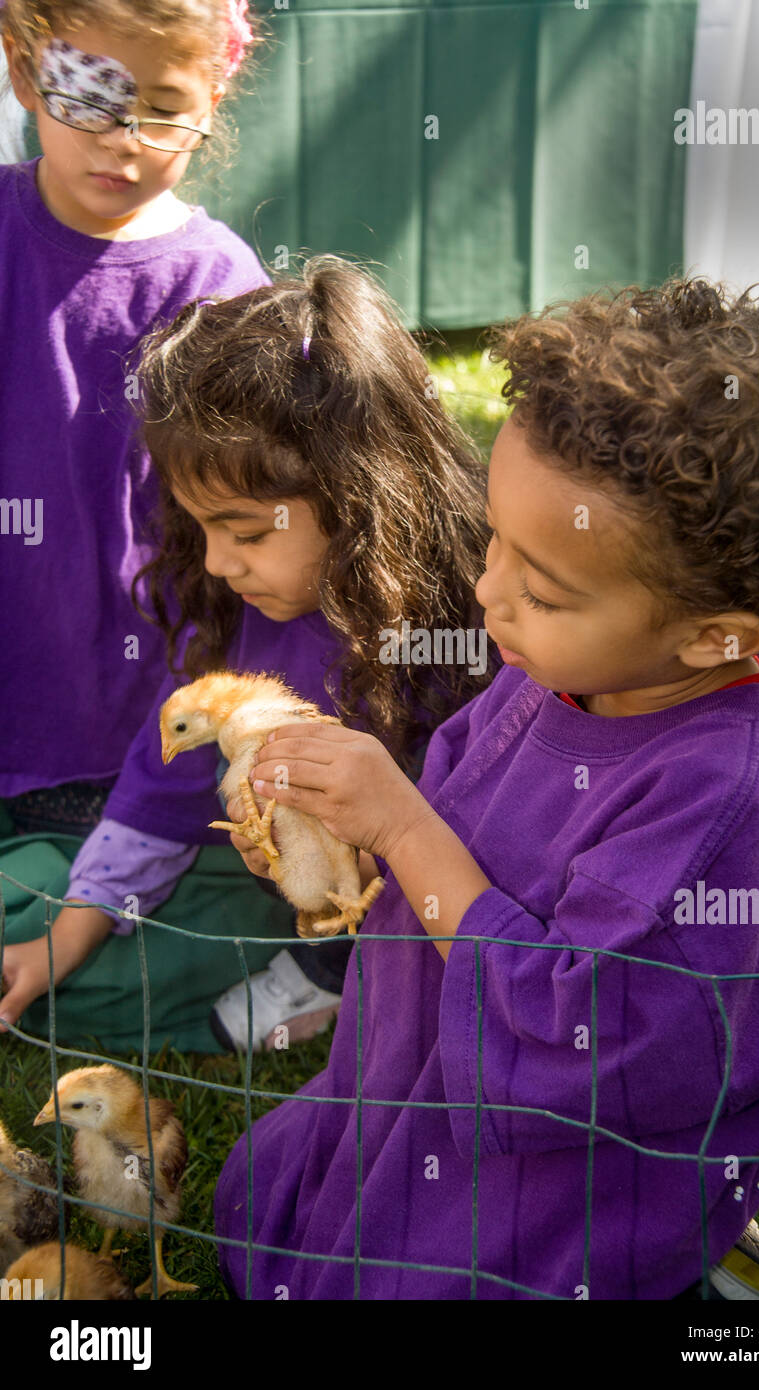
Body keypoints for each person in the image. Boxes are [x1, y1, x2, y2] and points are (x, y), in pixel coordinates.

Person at [214, 276, 759, 1299]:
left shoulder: (715, 804)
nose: (485, 592)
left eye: (541, 586)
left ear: (712, 636)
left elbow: (580, 1035)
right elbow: (458, 840)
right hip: (420, 1088)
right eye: (494, 542)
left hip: (552, 1189)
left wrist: (403, 825)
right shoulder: (559, 671)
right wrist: (342, 846)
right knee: (282, 1207)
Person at [0, 258, 496, 1053]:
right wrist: (80, 922)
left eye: (249, 532)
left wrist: (382, 872)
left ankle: (340, 977)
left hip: (449, 907)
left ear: (361, 491)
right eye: (201, 529)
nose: (219, 563)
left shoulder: (472, 616)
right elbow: (167, 776)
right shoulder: (243, 607)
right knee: (44, 909)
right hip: (284, 883)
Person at [0, 0, 268, 833]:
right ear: (22, 73)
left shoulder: (222, 285)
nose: (124, 138)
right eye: (89, 94)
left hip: (132, 728)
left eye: (163, 108)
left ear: (212, 102)